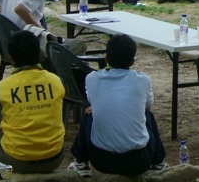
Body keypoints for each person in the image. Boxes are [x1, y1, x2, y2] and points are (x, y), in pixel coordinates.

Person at [69, 35, 166, 178]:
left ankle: (81, 163)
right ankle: (158, 163)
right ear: (132, 61)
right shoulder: (142, 80)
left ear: (106, 58)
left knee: (89, 113)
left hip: (101, 161)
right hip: (139, 161)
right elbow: (148, 106)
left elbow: (93, 101)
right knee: (148, 115)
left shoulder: (92, 79)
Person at [0, 31, 65, 174]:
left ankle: (6, 149)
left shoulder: (3, 86)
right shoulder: (56, 81)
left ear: (11, 58)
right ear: (39, 54)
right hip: (54, 159)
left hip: (16, 161)